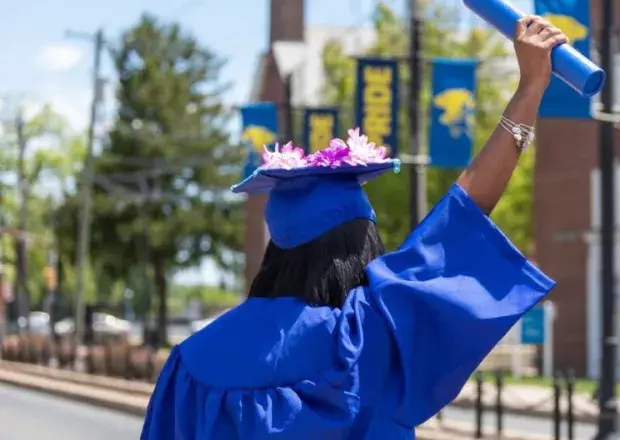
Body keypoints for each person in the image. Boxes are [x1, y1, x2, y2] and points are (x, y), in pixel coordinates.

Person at [141, 15, 566, 440]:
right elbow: (463, 215)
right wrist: (530, 86)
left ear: (278, 251)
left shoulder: (191, 362)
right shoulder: (365, 335)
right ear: (361, 252)